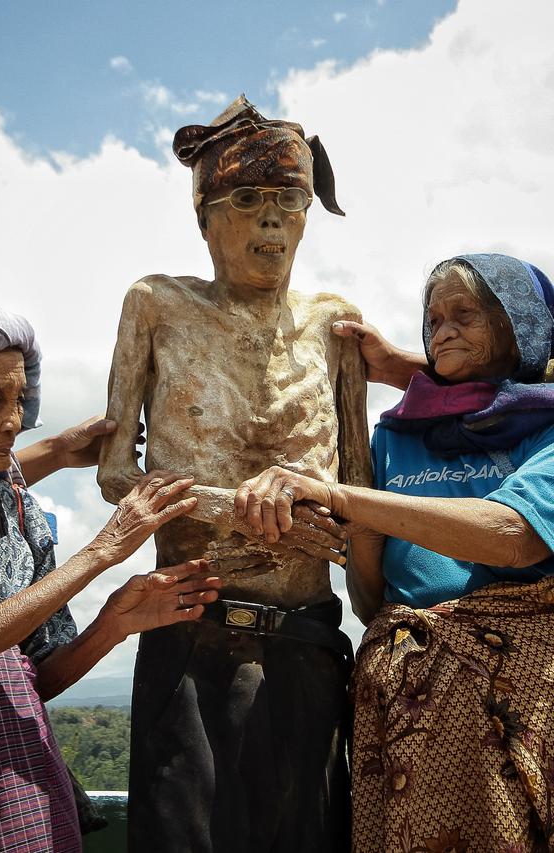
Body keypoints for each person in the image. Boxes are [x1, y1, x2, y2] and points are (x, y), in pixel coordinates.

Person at [97, 96, 372, 853]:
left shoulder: (335, 323)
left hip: (308, 641)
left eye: (290, 198)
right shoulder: (157, 305)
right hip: (190, 635)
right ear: (206, 217)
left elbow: (361, 491)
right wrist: (235, 507)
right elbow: (117, 474)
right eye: (246, 198)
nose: (272, 218)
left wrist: (336, 533)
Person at [234, 253, 554, 851]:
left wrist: (340, 496)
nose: (443, 332)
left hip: (518, 693)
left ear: (517, 326)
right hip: (403, 703)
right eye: (432, 320)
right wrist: (352, 526)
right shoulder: (393, 436)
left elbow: (512, 536)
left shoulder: (547, 430)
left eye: (464, 315)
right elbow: (369, 598)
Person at [0, 300, 221, 853]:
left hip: (18, 797)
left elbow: (38, 678)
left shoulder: (18, 512)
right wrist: (102, 551)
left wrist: (112, 625)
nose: (15, 420)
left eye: (19, 399)